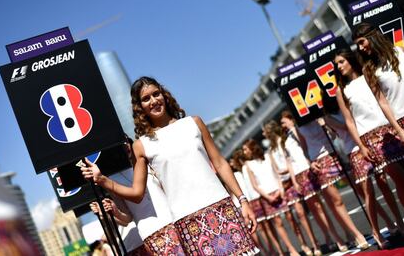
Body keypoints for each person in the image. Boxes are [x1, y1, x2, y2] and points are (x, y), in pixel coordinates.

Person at [82, 76, 258, 255]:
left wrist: (242, 200)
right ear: (139, 107)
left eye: (156, 94)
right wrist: (102, 180)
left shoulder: (194, 123)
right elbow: (136, 194)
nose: (153, 101)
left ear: (164, 95)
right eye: (146, 98)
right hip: (188, 222)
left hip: (222, 207)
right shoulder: (142, 145)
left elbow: (220, 163)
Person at [334, 48, 404, 246]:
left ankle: (399, 222)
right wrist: (361, 146)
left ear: (350, 60)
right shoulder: (342, 91)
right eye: (337, 65)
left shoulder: (368, 74)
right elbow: (349, 122)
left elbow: (384, 100)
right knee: (396, 176)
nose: (339, 67)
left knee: (392, 182)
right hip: (369, 138)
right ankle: (386, 228)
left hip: (388, 129)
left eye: (341, 62)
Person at [295, 115, 368, 250]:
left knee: (360, 187)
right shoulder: (299, 126)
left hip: (336, 154)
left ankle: (374, 224)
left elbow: (335, 135)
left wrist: (325, 124)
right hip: (319, 162)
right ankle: (357, 234)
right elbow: (303, 148)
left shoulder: (320, 114)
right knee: (336, 200)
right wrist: (310, 162)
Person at [353, 22, 404, 207]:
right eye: (357, 45)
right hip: (400, 122)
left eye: (361, 42)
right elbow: (383, 102)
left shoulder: (399, 51)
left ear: (373, 36)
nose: (360, 47)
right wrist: (398, 129)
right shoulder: (369, 70)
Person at [262, 122, 322, 256]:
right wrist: (280, 185)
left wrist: (287, 171)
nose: (263, 135)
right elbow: (276, 171)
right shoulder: (271, 151)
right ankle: (304, 244)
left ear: (270, 130)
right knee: (295, 216)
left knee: (309, 209)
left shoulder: (284, 141)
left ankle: (314, 243)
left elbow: (290, 161)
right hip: (285, 185)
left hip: (295, 177)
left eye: (264, 132)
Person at [242, 139, 300, 256]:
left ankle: (303, 244)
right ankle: (291, 249)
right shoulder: (248, 165)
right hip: (266, 197)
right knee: (278, 223)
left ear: (252, 148)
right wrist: (268, 197)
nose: (244, 152)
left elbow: (277, 174)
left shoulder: (268, 157)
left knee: (291, 218)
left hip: (278, 191)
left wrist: (280, 189)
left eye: (245, 149)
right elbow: (255, 185)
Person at [229, 150, 276, 255]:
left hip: (250, 200)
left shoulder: (243, 170)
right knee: (254, 231)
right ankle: (264, 251)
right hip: (241, 204)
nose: (232, 164)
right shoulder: (235, 175)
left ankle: (270, 251)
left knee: (263, 227)